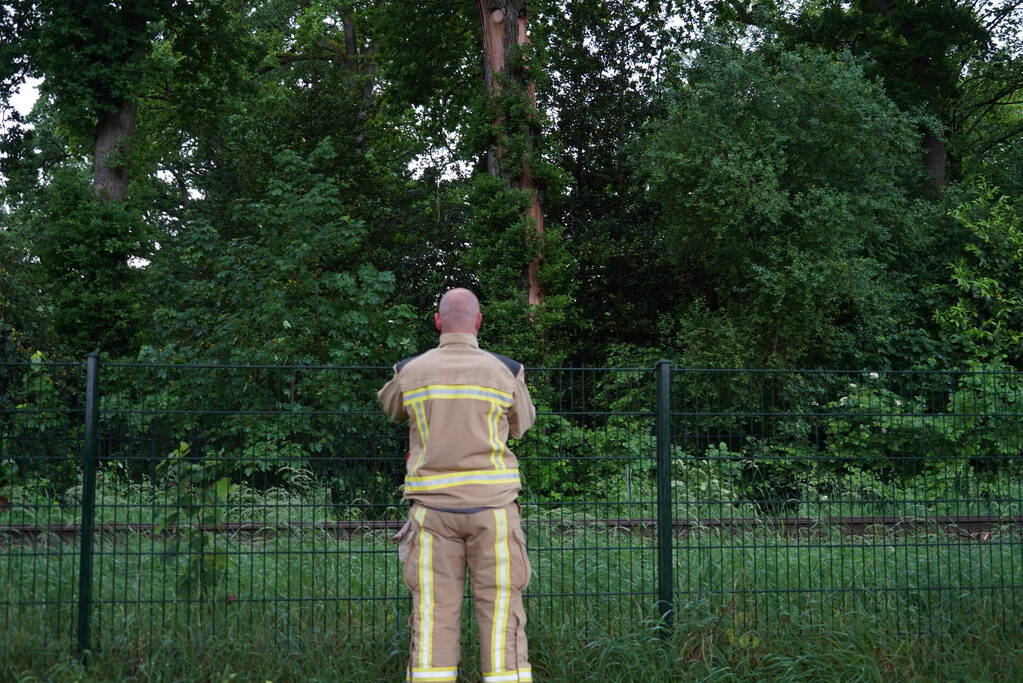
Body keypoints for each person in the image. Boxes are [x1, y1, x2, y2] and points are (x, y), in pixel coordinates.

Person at [378, 288, 536, 683]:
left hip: (432, 512)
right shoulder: (506, 370)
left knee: (433, 611)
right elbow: (522, 426)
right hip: (494, 511)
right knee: (500, 607)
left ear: (437, 322)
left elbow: (391, 410)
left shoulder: (410, 370)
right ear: (479, 322)